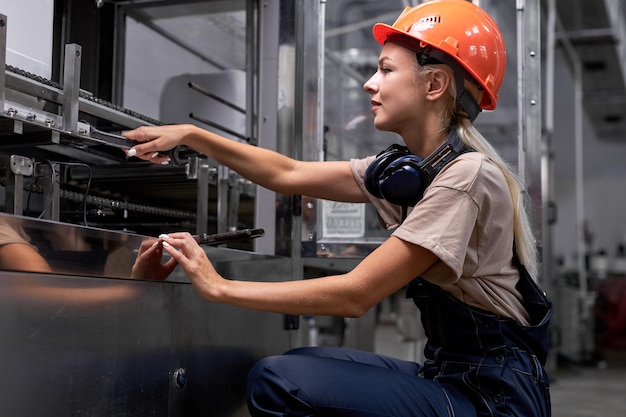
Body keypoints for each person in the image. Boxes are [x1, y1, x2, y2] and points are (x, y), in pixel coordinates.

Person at [123, 1, 553, 416]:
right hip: (452, 372)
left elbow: (355, 295)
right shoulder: (410, 173)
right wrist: (193, 135)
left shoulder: (467, 177)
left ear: (434, 85)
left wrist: (219, 287)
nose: (370, 82)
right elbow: (287, 173)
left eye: (385, 70)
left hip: (492, 398)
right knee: (306, 358)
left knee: (279, 380)